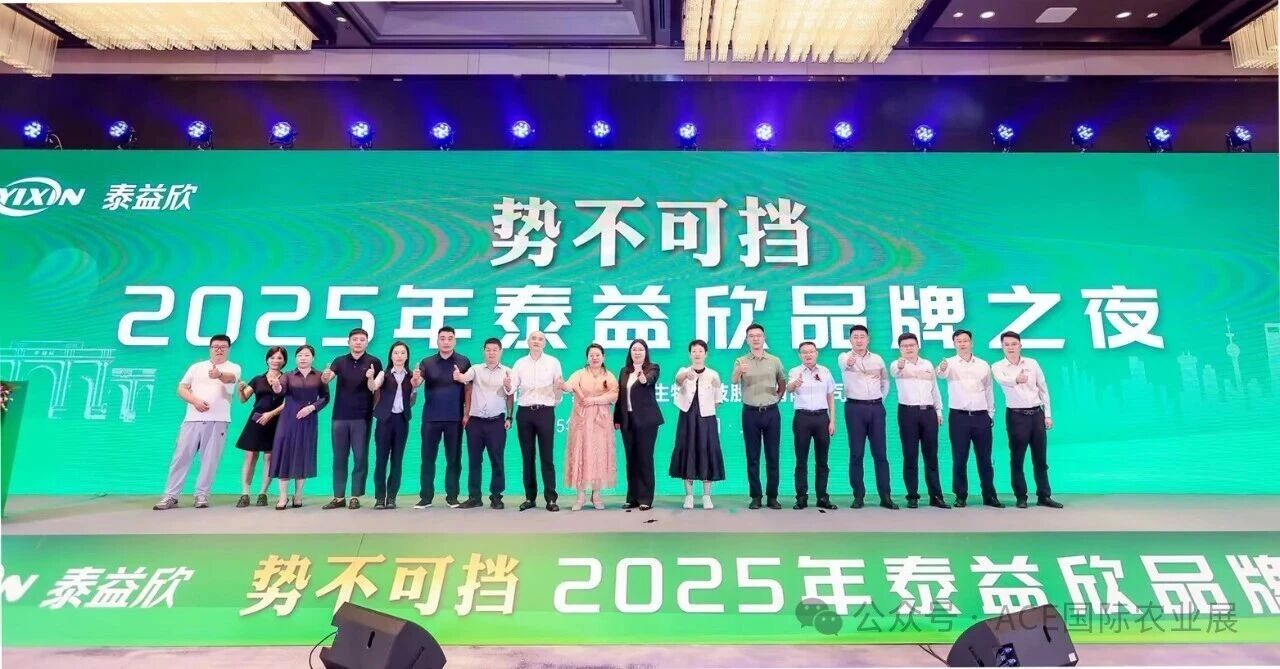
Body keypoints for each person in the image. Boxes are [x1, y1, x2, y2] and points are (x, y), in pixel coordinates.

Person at [153, 334, 242, 510]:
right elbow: (181, 388)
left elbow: (231, 378)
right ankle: (170, 495)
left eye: (223, 347)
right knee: (180, 458)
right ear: (210, 348)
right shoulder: (196, 367)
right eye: (215, 346)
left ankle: (202, 495)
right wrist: (195, 401)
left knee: (210, 460)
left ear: (228, 349)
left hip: (218, 420)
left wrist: (218, 374)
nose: (219, 350)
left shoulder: (234, 367)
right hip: (192, 419)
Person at [991, 331, 1063, 509]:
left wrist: (1047, 415)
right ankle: (1021, 496)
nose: (1010, 347)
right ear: (1002, 347)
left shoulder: (1032, 363)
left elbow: (1043, 388)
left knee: (1040, 459)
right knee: (1017, 458)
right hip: (1016, 416)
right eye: (1007, 344)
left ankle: (1044, 495)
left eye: (1014, 344)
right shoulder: (998, 366)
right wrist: (1016, 379)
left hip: (1037, 415)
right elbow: (1002, 380)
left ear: (1020, 345)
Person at [937, 329, 1001, 508]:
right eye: (959, 341)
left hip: (981, 416)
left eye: (965, 340)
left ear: (971, 343)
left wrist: (990, 414)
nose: (962, 344)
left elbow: (989, 389)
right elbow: (940, 374)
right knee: (959, 458)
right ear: (954, 344)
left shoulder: (983, 364)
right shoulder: (949, 363)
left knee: (985, 459)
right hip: (959, 417)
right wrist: (942, 368)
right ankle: (960, 495)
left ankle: (989, 495)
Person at [320, 328, 383, 510]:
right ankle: (338, 497)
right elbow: (327, 379)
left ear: (367, 342)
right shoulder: (339, 361)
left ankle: (355, 496)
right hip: (339, 416)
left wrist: (370, 378)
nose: (358, 342)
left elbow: (374, 387)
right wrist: (325, 376)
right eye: (355, 339)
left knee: (360, 456)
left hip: (362, 416)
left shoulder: (374, 362)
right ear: (349, 342)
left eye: (362, 339)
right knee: (339, 457)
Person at [838, 325, 898, 510]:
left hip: (876, 409)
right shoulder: (844, 356)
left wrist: (877, 400)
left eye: (862, 336)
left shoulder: (877, 359)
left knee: (880, 454)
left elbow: (885, 382)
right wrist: (851, 361)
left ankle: (885, 496)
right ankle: (858, 496)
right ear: (850, 340)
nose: (859, 340)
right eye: (855, 337)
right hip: (855, 408)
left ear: (868, 339)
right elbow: (845, 363)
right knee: (856, 453)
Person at [414, 326, 472, 509]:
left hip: (454, 418)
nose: (446, 342)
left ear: (455, 341)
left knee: (453, 458)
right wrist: (415, 379)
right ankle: (426, 497)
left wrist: (466, 413)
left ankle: (452, 496)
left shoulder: (463, 361)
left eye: (450, 338)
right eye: (442, 338)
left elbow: (468, 388)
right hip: (431, 417)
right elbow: (417, 382)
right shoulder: (427, 362)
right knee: (427, 458)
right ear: (437, 341)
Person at [730, 323, 786, 510]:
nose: (755, 338)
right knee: (752, 457)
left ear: (764, 338)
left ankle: (772, 496)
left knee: (773, 456)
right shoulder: (741, 360)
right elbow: (734, 381)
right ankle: (755, 496)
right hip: (750, 413)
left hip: (771, 413)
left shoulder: (774, 360)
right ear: (747, 340)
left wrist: (776, 399)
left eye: (759, 335)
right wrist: (739, 370)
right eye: (752, 336)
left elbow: (782, 382)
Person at [889, 332, 948, 509]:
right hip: (908, 413)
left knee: (931, 456)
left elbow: (934, 389)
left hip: (928, 413)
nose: (908, 348)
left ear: (918, 346)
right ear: (900, 349)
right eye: (904, 346)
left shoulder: (927, 364)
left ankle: (936, 496)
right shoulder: (897, 365)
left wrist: (938, 411)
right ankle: (912, 496)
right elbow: (894, 372)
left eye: (911, 345)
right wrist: (900, 366)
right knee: (910, 455)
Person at [509, 330, 566, 512]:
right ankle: (529, 497)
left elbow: (558, 388)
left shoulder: (553, 362)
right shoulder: (519, 363)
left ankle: (551, 498)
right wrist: (507, 385)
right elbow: (511, 388)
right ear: (528, 342)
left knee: (547, 456)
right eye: (533, 338)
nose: (536, 341)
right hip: (525, 412)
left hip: (545, 412)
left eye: (540, 339)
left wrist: (557, 393)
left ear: (545, 343)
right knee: (527, 457)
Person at [269, 344, 330, 510]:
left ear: (313, 358)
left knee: (303, 455)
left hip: (308, 419)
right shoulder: (288, 375)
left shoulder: (319, 376)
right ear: (296, 358)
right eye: (300, 355)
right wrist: (276, 385)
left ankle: (298, 495)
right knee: (285, 454)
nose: (303, 358)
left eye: (307, 355)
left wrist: (311, 408)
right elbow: (280, 391)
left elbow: (325, 397)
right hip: (288, 419)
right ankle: (283, 496)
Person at [458, 338, 514, 509]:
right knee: (474, 461)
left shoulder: (508, 371)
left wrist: (509, 417)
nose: (491, 353)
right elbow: (465, 378)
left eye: (495, 350)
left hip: (496, 422)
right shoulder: (475, 369)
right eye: (488, 349)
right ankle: (474, 497)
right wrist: (459, 376)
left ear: (501, 352)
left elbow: (510, 395)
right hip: (475, 422)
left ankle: (496, 496)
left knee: (497, 460)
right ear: (483, 351)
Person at [562, 344, 619, 511]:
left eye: (598, 355)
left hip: (601, 420)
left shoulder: (609, 375)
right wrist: (563, 385)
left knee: (598, 454)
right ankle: (580, 496)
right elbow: (569, 385)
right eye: (591, 355)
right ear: (587, 358)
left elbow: (614, 394)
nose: (594, 358)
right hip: (582, 419)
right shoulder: (579, 374)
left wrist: (594, 400)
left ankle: (596, 495)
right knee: (581, 452)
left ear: (603, 357)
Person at [670, 339, 725, 509]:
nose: (697, 354)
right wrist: (687, 375)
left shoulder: (713, 374)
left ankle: (707, 496)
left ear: (706, 354)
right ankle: (689, 496)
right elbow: (678, 380)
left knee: (707, 451)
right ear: (689, 354)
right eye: (694, 351)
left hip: (706, 419)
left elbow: (718, 400)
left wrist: (705, 409)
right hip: (687, 417)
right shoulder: (683, 371)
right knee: (688, 451)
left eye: (700, 351)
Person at [613, 339, 663, 511]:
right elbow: (620, 396)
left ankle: (645, 498)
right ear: (630, 352)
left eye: (640, 349)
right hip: (627, 421)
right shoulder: (624, 371)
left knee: (644, 459)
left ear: (646, 352)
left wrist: (642, 377)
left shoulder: (652, 368)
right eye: (634, 349)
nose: (637, 352)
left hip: (646, 421)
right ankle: (632, 497)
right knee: (631, 459)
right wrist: (617, 418)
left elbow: (649, 380)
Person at [234, 346, 287, 508]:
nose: (275, 361)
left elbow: (288, 403)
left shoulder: (287, 379)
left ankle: (263, 493)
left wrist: (271, 414)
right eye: (272, 357)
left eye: (279, 358)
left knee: (269, 457)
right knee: (250, 456)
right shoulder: (258, 379)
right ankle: (245, 493)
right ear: (267, 360)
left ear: (284, 361)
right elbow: (243, 399)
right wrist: (240, 390)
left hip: (276, 421)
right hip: (256, 421)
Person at [787, 341, 837, 510]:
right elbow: (789, 388)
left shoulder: (825, 371)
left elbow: (830, 397)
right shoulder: (795, 371)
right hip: (802, 418)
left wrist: (832, 420)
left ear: (816, 353)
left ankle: (822, 497)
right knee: (801, 460)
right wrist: (795, 384)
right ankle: (801, 497)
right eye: (804, 352)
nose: (808, 355)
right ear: (800, 355)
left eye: (811, 352)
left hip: (822, 418)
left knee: (822, 460)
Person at [370, 341, 416, 510]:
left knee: (397, 460)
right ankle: (379, 498)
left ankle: (391, 497)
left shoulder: (412, 376)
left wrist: (415, 387)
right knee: (381, 460)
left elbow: (412, 400)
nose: (399, 356)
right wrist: (370, 378)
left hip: (401, 421)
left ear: (407, 356)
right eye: (396, 353)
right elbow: (373, 386)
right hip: (384, 420)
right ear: (391, 356)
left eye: (403, 353)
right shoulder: (384, 374)